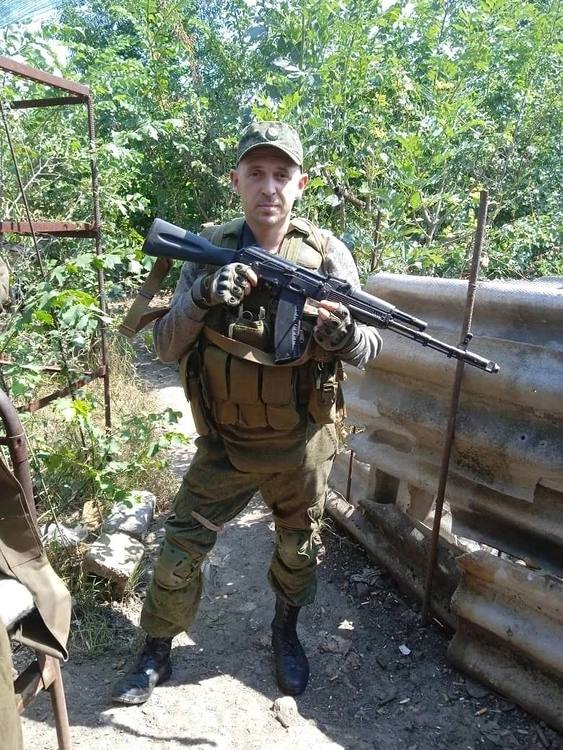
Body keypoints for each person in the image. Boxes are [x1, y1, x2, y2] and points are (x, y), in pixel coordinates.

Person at [113, 121, 382, 705]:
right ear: (236, 180)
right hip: (225, 442)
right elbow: (163, 346)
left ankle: (286, 631)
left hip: (300, 443)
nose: (269, 187)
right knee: (180, 548)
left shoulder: (328, 255)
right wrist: (204, 294)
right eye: (256, 173)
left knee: (298, 548)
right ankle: (156, 647)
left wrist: (342, 337)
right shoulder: (207, 248)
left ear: (300, 184)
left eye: (282, 174)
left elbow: (370, 346)